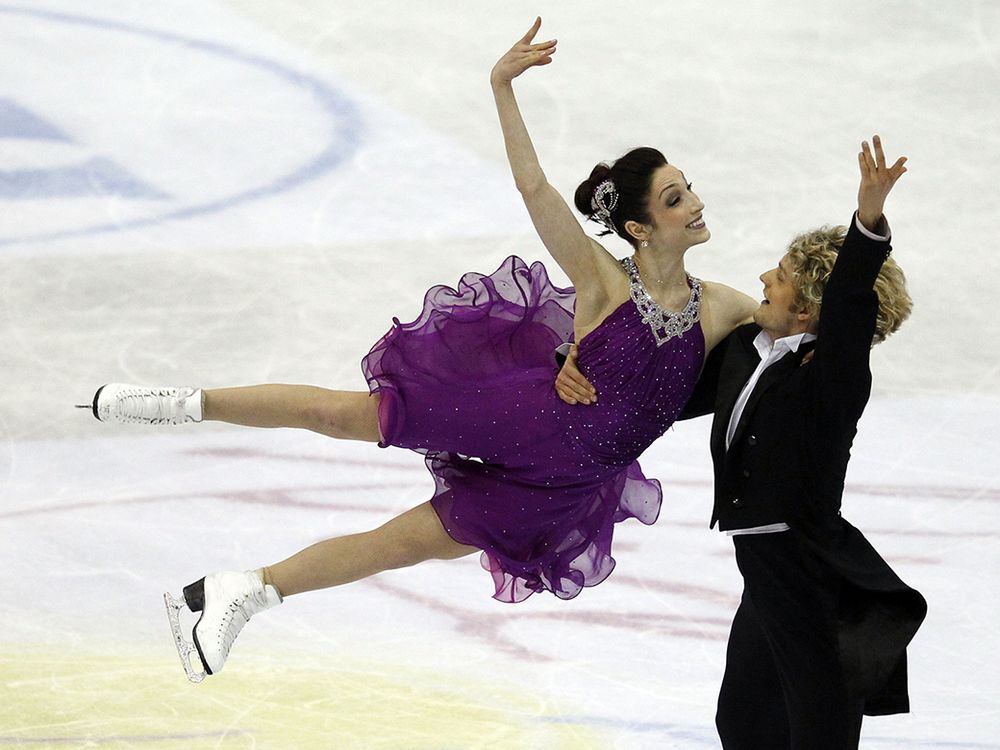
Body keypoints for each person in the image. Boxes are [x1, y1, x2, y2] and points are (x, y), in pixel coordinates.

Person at [83, 18, 756, 683]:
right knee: (343, 417)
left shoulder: (721, 305)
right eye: (676, 197)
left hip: (564, 484)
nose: (695, 203)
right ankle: (173, 404)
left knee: (398, 548)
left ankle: (238, 593)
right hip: (524, 416)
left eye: (688, 188)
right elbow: (534, 189)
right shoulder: (604, 281)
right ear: (638, 227)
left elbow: (798, 319)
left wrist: (864, 245)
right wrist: (502, 87)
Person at [555, 135, 927, 748]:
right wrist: (573, 364)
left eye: (779, 279)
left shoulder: (831, 382)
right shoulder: (747, 353)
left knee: (821, 728)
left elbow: (851, 306)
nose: (762, 278)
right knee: (745, 720)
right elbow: (659, 389)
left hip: (806, 568)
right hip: (764, 568)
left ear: (808, 311)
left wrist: (867, 223)